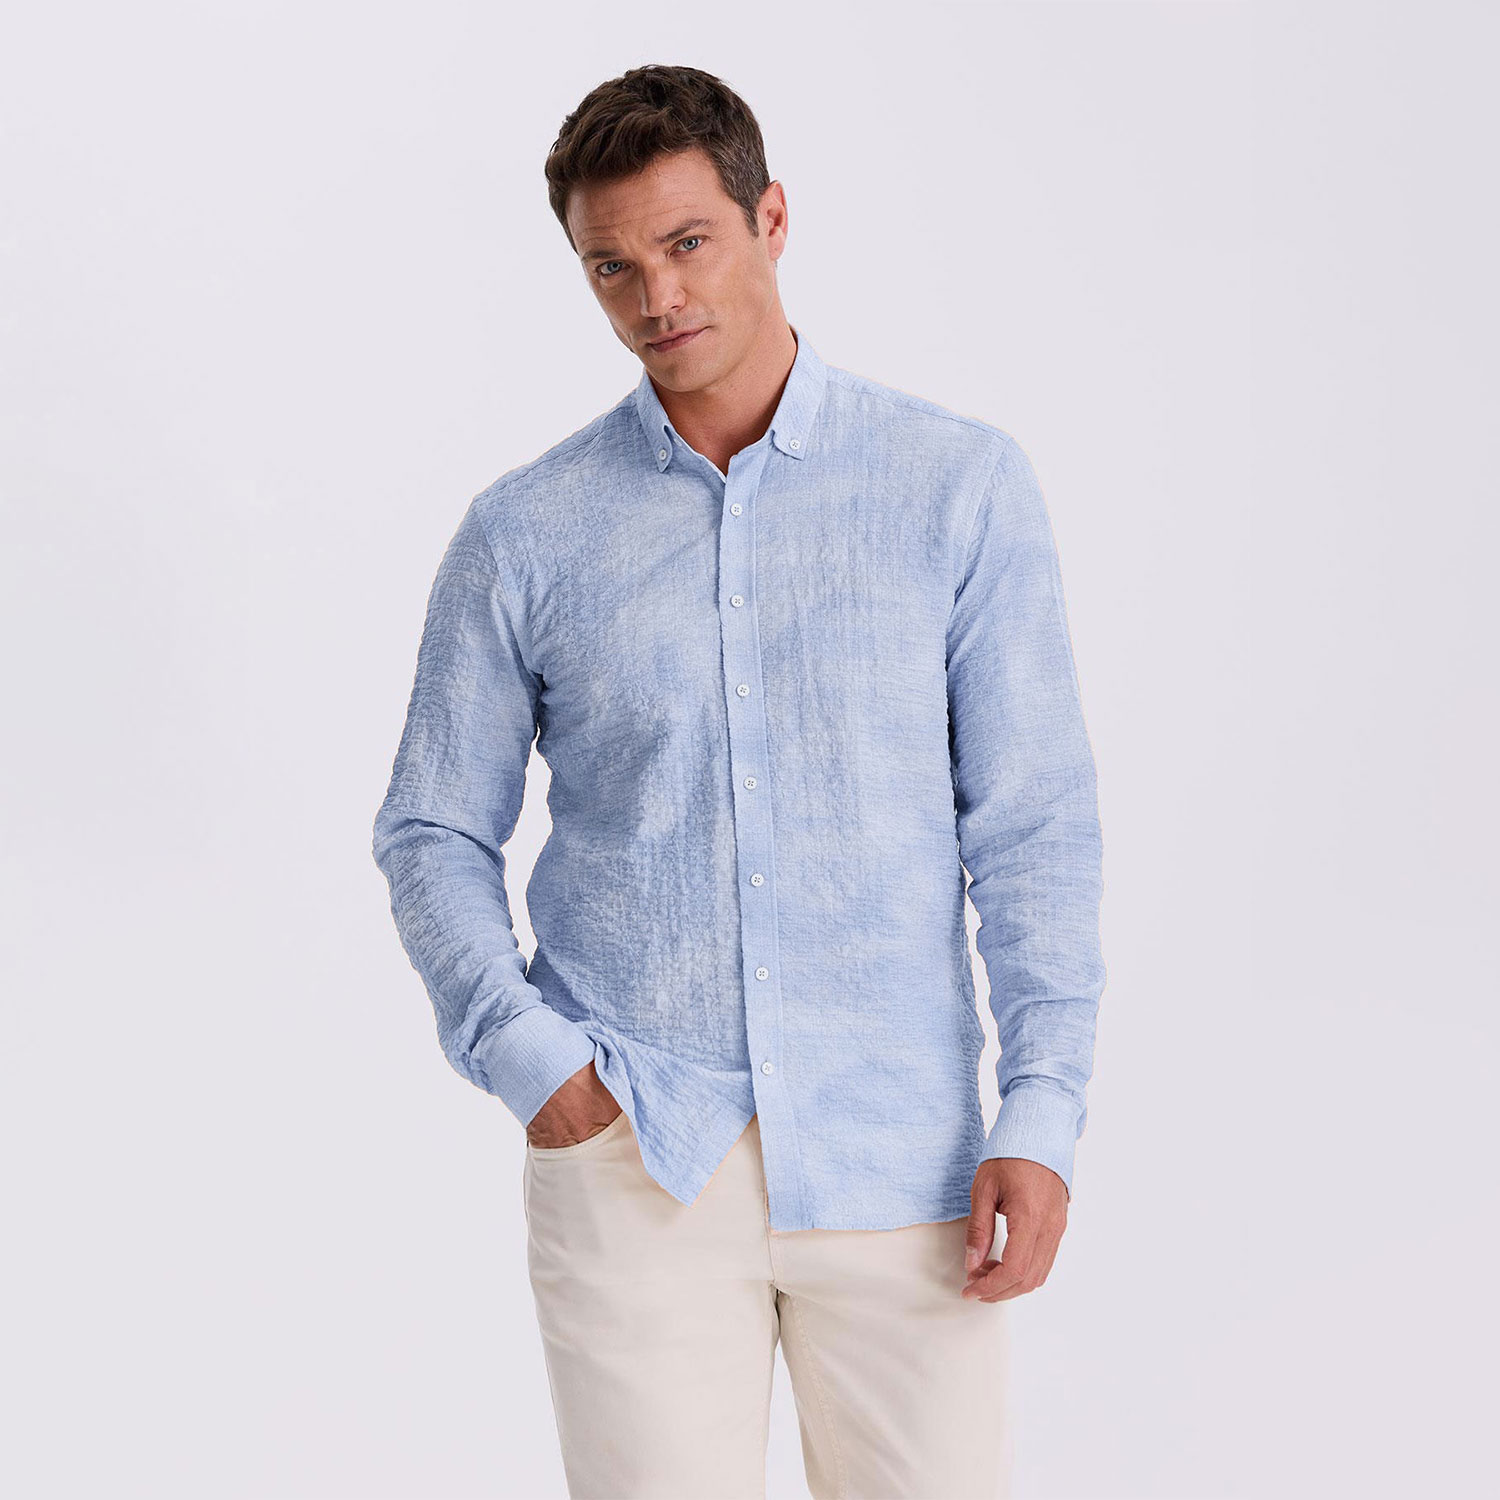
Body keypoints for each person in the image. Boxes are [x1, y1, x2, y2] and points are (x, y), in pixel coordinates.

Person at [372, 62, 1107, 1500]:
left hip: (904, 1162)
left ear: (771, 219)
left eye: (687, 241)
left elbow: (1034, 831)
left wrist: (1043, 1112)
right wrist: (536, 1066)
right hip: (635, 1154)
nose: (657, 296)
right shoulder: (526, 533)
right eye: (613, 266)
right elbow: (430, 827)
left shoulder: (956, 489)